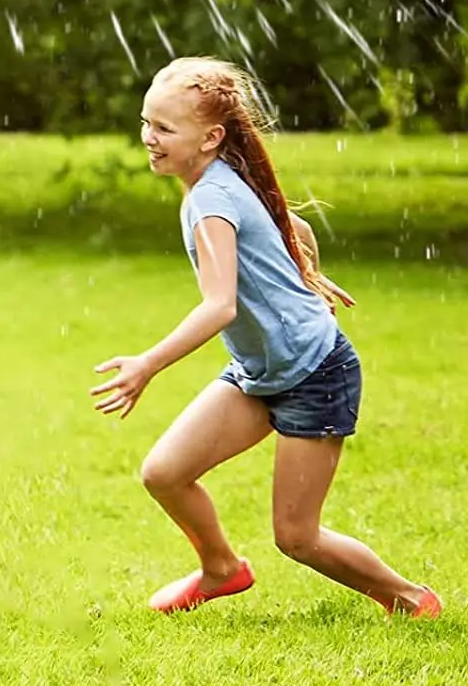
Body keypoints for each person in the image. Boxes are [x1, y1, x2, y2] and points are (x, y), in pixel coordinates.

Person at [91, 56, 440, 619]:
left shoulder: (210, 198)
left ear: (210, 138)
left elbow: (219, 306)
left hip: (314, 373)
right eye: (146, 122)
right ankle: (222, 569)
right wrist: (303, 271)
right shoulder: (221, 177)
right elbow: (291, 225)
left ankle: (411, 600)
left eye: (163, 128)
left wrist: (148, 364)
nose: (148, 138)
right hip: (260, 374)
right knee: (165, 473)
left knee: (297, 537)